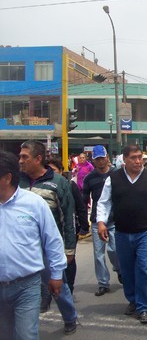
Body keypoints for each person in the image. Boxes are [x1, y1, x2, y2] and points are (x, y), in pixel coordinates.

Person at [0, 151, 67, 340]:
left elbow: (52, 240)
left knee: (26, 335)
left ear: (6, 178)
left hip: (26, 286)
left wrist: (56, 275)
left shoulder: (33, 203)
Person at [97, 145, 147, 324]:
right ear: (124, 160)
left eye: (139, 157)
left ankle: (144, 307)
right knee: (126, 270)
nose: (137, 161)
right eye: (133, 158)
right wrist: (101, 222)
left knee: (143, 267)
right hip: (122, 233)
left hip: (145, 232)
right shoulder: (114, 178)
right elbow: (104, 202)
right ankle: (133, 300)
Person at [19, 140, 79, 334]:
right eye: (20, 157)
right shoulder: (16, 182)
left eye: (24, 157)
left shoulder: (59, 183)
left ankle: (70, 318)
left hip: (48, 248)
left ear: (38, 159)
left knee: (58, 287)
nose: (20, 161)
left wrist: (69, 249)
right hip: (23, 248)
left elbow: (68, 218)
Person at [82, 145, 121, 297]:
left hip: (115, 220)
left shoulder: (117, 174)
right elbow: (84, 200)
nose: (100, 161)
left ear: (107, 158)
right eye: (97, 159)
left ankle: (119, 269)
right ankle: (103, 283)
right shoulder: (89, 178)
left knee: (114, 250)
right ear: (93, 160)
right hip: (98, 221)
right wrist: (83, 222)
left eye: (102, 158)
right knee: (98, 255)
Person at [47, 156, 87, 295]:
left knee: (68, 258)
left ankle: (68, 286)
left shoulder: (70, 185)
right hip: (50, 231)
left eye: (53, 170)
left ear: (61, 171)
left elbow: (81, 207)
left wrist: (84, 227)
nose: (50, 173)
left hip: (68, 228)